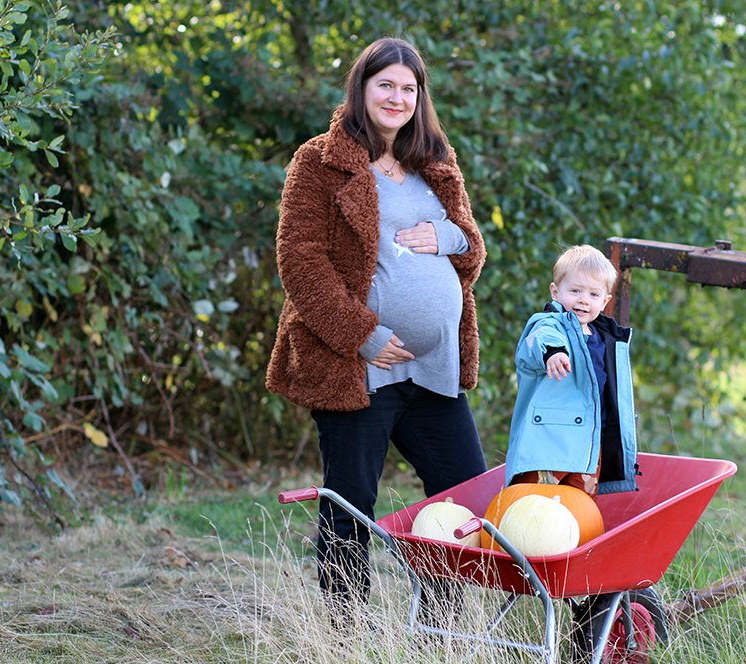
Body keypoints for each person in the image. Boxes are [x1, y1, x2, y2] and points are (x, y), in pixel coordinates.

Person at [265, 37, 487, 625]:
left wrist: (450, 239)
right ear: (362, 89)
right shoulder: (318, 161)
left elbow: (471, 245)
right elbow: (300, 261)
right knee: (351, 501)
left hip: (434, 369)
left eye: (409, 88)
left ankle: (435, 628)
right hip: (359, 365)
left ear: (421, 98)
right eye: (385, 84)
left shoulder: (436, 162)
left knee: (463, 496)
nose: (397, 97)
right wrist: (362, 335)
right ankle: (345, 633)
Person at [504, 245, 638, 498]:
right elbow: (539, 339)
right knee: (531, 505)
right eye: (575, 290)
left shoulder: (606, 338)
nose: (583, 300)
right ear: (555, 292)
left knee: (579, 509)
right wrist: (553, 352)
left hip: (588, 444)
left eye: (593, 294)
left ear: (605, 301)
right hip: (547, 441)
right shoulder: (549, 324)